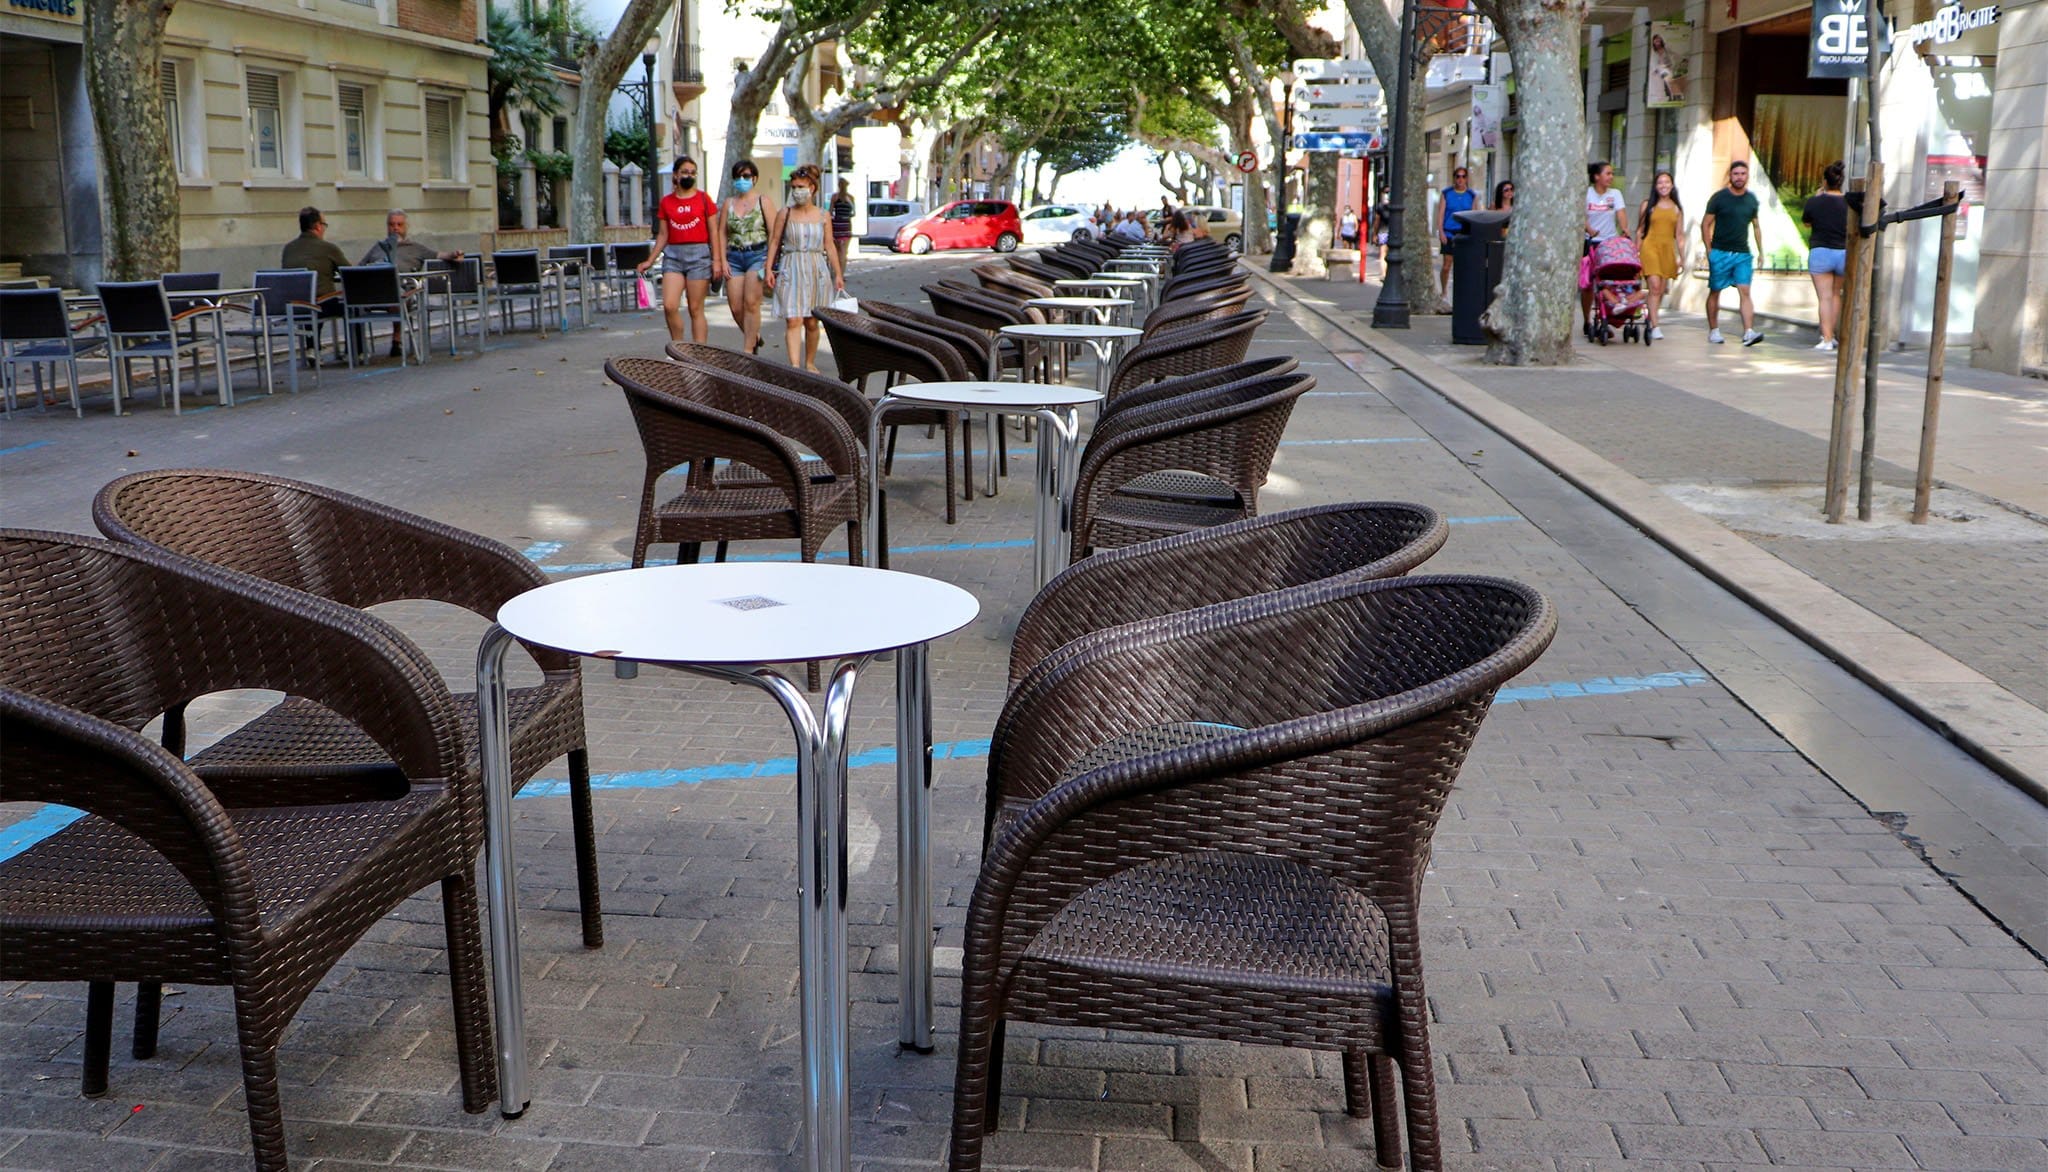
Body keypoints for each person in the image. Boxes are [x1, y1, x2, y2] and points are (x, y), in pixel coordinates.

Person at [764, 164, 844, 373]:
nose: (797, 191)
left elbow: (829, 245)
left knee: (811, 321)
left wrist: (838, 274)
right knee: (793, 319)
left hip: (816, 269)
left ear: (812, 188)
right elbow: (774, 241)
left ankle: (809, 362)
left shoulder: (823, 215)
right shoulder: (785, 213)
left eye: (801, 187)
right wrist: (768, 268)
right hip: (791, 267)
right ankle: (795, 365)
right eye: (794, 187)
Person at [637, 156, 723, 344]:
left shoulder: (703, 199)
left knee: (695, 308)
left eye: (692, 173)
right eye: (684, 172)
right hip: (673, 256)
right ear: (675, 175)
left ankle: (700, 351)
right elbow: (663, 234)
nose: (688, 176)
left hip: (699, 255)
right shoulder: (666, 202)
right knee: (669, 305)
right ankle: (679, 347)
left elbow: (714, 232)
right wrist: (650, 260)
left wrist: (717, 261)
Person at [358, 209, 462, 355]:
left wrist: (454, 254)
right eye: (391, 224)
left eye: (399, 224)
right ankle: (356, 350)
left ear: (406, 227)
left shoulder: (416, 248)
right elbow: (359, 267)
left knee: (397, 294)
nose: (395, 228)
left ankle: (396, 340)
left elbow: (439, 255)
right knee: (351, 299)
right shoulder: (379, 247)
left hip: (403, 292)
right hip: (374, 291)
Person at [1701, 159, 1765, 346]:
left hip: (1742, 254)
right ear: (1730, 176)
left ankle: (1748, 332)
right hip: (1720, 252)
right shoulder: (1719, 198)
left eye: (1743, 174)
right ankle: (1714, 330)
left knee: (1745, 290)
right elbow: (1705, 224)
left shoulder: (1751, 200)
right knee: (1715, 291)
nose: (1739, 177)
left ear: (1747, 176)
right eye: (1736, 174)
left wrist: (1761, 251)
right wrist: (1709, 250)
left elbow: (1756, 226)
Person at [722, 159, 778, 355]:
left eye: (746, 176)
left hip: (758, 255)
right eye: (738, 177)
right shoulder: (729, 203)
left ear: (754, 178)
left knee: (751, 303)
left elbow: (774, 233)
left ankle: (748, 350)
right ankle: (754, 336)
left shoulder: (764, 201)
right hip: (734, 257)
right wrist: (722, 260)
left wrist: (769, 263)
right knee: (736, 307)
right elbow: (722, 233)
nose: (742, 180)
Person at [281, 206, 349, 358]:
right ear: (318, 226)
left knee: (309, 297)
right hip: (319, 305)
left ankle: (312, 348)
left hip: (293, 306)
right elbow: (349, 273)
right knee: (350, 307)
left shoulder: (288, 249)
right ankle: (355, 351)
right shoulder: (328, 248)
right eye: (324, 225)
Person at [1803, 160, 1849, 352]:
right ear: (1841, 181)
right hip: (1843, 252)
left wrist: (1817, 197)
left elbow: (1807, 223)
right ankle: (1832, 336)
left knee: (1824, 298)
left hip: (1820, 251)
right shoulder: (1849, 203)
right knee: (1836, 294)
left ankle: (1827, 338)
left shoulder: (1814, 202)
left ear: (1824, 181)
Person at [1581, 161, 1630, 338]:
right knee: (1588, 284)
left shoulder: (1615, 194)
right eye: (1607, 173)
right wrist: (1589, 229)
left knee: (1607, 282)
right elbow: (1580, 215)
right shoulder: (1587, 193)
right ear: (1596, 176)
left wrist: (1624, 229)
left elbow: (1621, 213)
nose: (1611, 177)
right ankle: (1587, 320)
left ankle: (1603, 318)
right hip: (1590, 242)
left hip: (1609, 244)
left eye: (1612, 174)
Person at [1635, 171, 1683, 341]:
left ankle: (1651, 316)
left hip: (1667, 250)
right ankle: (1655, 326)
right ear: (1655, 186)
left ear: (1672, 185)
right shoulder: (1648, 205)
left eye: (1667, 182)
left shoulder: (1677, 208)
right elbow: (1640, 231)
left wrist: (1682, 257)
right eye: (1660, 182)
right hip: (1650, 248)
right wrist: (1636, 252)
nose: (1664, 185)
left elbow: (1679, 235)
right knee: (1654, 286)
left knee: (1661, 290)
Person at [1437, 166, 1477, 299]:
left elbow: (1474, 215)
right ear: (1454, 178)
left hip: (1464, 233)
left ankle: (1462, 292)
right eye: (1458, 176)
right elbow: (1441, 214)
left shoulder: (1471, 195)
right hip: (1449, 233)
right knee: (1446, 265)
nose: (1460, 179)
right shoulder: (1446, 193)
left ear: (1467, 179)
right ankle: (1444, 291)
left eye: (1463, 176)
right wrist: (1441, 232)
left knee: (1463, 266)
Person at [1648, 34, 1686, 105]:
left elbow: (1674, 53)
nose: (1657, 40)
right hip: (1660, 69)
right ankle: (1674, 96)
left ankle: (1677, 96)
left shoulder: (1666, 48)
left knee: (1671, 81)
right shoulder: (1653, 52)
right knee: (1667, 80)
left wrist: (1682, 59)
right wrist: (1655, 69)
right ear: (1653, 42)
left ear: (1661, 40)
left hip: (1668, 68)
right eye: (1655, 40)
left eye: (1658, 39)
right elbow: (1652, 62)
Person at [828, 178, 856, 270]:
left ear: (838, 186)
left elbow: (830, 212)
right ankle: (842, 273)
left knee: (836, 250)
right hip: (846, 225)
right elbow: (853, 213)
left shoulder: (835, 197)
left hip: (836, 225)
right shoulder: (851, 198)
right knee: (844, 251)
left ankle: (836, 272)